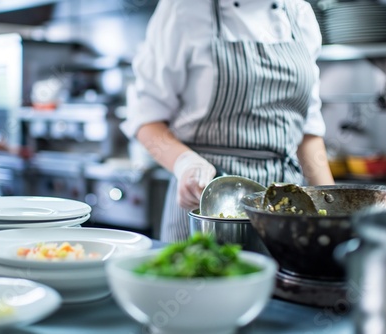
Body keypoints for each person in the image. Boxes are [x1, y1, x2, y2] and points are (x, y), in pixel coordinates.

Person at [120, 0, 335, 242]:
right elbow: (146, 118)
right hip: (205, 202)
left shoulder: (299, 13)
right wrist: (185, 164)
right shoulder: (185, 9)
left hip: (287, 212)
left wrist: (331, 211)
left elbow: (308, 133)